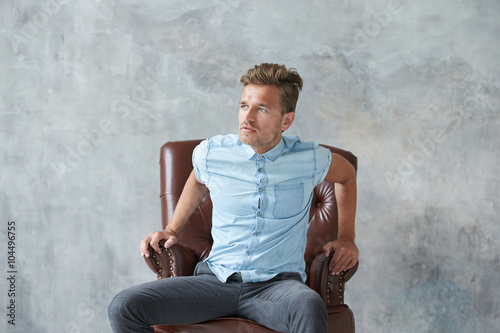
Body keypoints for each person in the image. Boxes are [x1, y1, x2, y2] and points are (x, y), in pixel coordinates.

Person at [108, 63, 358, 333]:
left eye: (261, 109)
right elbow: (198, 178)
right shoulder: (213, 152)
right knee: (124, 306)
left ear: (286, 120)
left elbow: (346, 176)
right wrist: (172, 229)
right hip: (214, 282)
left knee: (309, 306)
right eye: (243, 106)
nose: (247, 118)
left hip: (277, 288)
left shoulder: (309, 158)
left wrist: (346, 237)